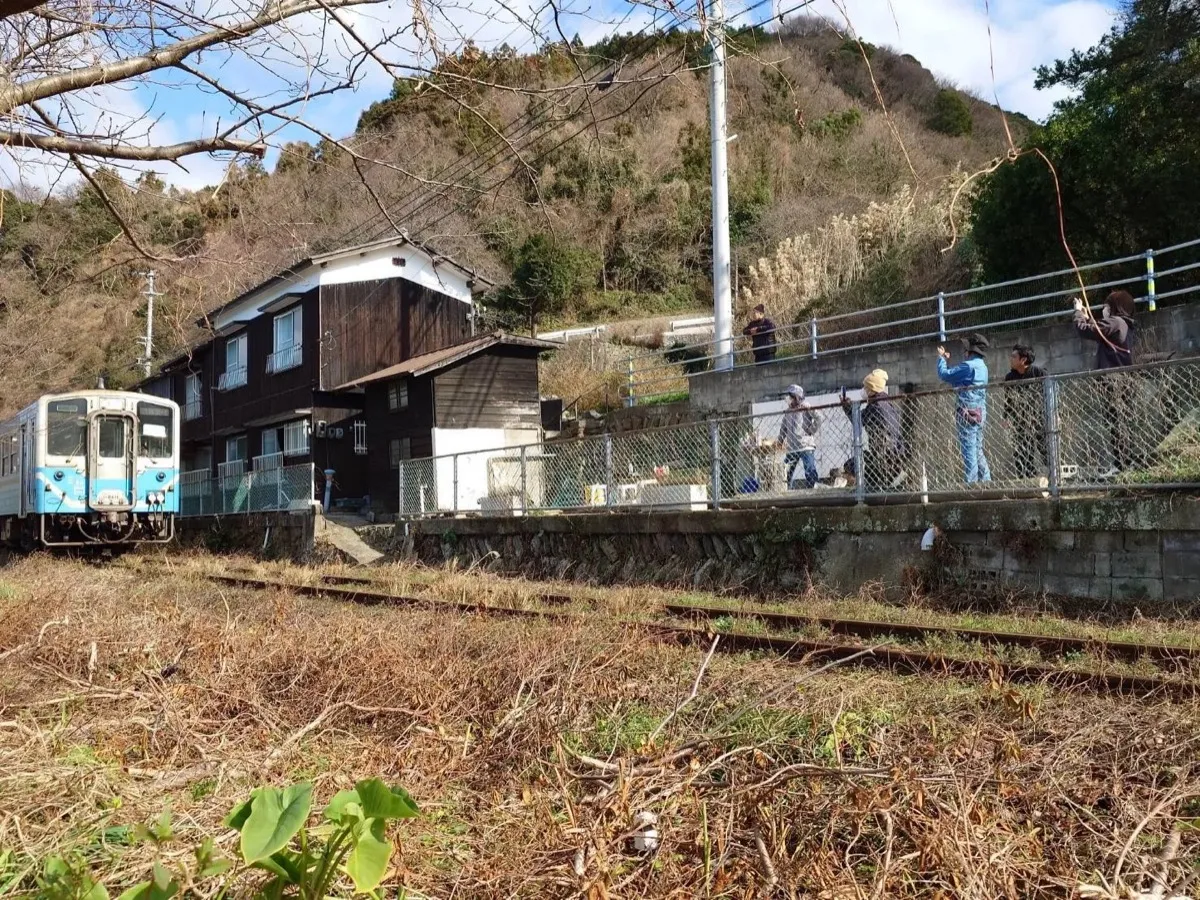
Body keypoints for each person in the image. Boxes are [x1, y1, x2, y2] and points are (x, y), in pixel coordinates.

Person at [1073, 290, 1136, 473]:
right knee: (1120, 421)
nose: (1104, 310)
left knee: (1116, 422)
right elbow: (1099, 329)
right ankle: (1124, 463)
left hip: (1113, 380)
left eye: (1106, 307)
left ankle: (1121, 465)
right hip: (1123, 379)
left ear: (1115, 308)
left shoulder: (1116, 322)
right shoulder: (1124, 324)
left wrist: (1078, 313)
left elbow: (1085, 330)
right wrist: (1086, 317)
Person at [937, 333, 992, 484]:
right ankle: (986, 481)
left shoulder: (968, 366)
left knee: (968, 449)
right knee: (977, 448)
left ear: (970, 350)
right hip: (981, 411)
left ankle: (971, 485)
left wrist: (942, 358)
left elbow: (945, 375)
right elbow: (960, 381)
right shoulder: (983, 367)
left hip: (967, 411)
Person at [840, 368, 906, 490]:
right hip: (895, 456)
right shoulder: (887, 403)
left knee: (852, 463)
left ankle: (863, 490)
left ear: (872, 389)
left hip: (884, 458)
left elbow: (858, 421)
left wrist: (847, 408)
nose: (864, 391)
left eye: (866, 388)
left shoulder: (876, 406)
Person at [1003, 344, 1048, 480]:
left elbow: (1051, 395)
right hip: (1020, 421)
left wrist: (1055, 414)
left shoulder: (1039, 374)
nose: (1011, 359)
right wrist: (1006, 418)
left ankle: (1055, 479)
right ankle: (1027, 481)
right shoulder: (1010, 377)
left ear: (1023, 360)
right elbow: (1008, 400)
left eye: (1014, 356)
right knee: (1022, 454)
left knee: (1047, 450)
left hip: (1040, 418)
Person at [777, 384, 820, 489]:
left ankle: (812, 490)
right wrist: (780, 440)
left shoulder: (805, 406)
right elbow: (783, 427)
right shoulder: (788, 411)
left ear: (796, 396)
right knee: (786, 470)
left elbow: (818, 418)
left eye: (790, 396)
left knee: (809, 470)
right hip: (792, 447)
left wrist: (811, 430)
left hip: (805, 445)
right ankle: (786, 490)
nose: (788, 399)